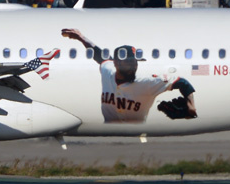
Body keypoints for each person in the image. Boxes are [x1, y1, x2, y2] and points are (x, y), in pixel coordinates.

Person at [61, 28, 197, 124]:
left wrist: (191, 106)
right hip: (107, 139)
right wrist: (80, 37)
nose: (133, 66)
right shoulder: (108, 71)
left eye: (134, 62)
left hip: (136, 139)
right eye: (128, 62)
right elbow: (99, 55)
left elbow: (183, 83)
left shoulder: (147, 82)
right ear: (116, 63)